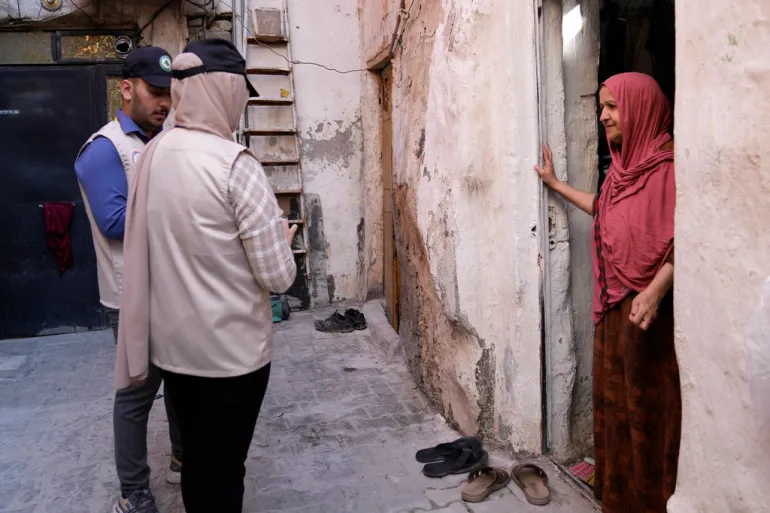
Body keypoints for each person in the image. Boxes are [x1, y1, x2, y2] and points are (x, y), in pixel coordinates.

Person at [116, 38, 298, 513]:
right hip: (231, 359)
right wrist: (279, 237)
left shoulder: (153, 156)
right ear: (225, 92)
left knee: (196, 460)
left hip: (175, 352)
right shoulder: (236, 166)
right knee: (224, 470)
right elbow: (279, 278)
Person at [535, 72, 680, 512]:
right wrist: (556, 185)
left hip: (649, 320)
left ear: (639, 109)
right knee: (616, 410)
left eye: (613, 106)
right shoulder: (621, 172)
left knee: (649, 414)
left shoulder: (669, 171)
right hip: (613, 311)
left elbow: (685, 239)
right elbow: (604, 208)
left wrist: (655, 291)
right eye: (602, 107)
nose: (603, 116)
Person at [74, 46, 183, 513]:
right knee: (137, 394)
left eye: (169, 95)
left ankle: (183, 457)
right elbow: (117, 224)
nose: (164, 103)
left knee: (182, 383)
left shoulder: (163, 139)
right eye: (155, 92)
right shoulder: (104, 150)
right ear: (127, 88)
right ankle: (133, 490)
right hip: (132, 296)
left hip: (174, 290)